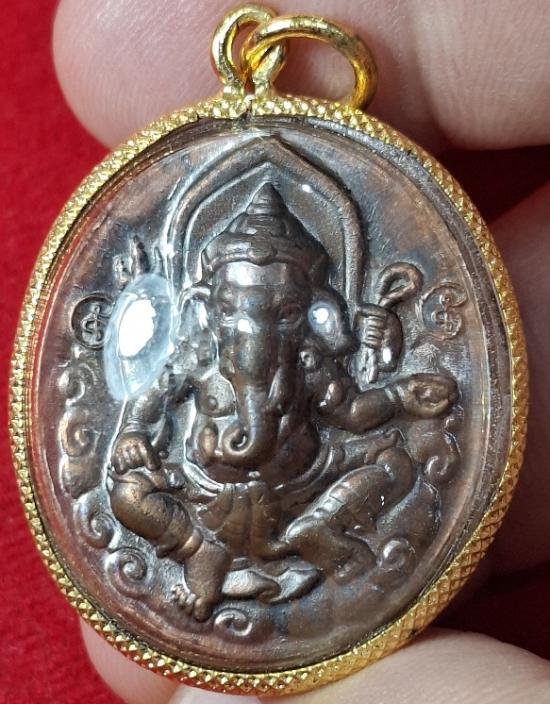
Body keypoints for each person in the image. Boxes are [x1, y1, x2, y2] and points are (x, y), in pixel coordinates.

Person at [52, 1, 550, 702]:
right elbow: (148, 400)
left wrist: (401, 396)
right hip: (201, 500)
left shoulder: (311, 360)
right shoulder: (194, 353)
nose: (254, 325)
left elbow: (353, 413)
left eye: (281, 313)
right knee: (125, 492)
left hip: (301, 493)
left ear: (312, 314)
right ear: (205, 308)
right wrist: (133, 434)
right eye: (235, 309)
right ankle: (197, 554)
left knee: (394, 463)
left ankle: (318, 533)